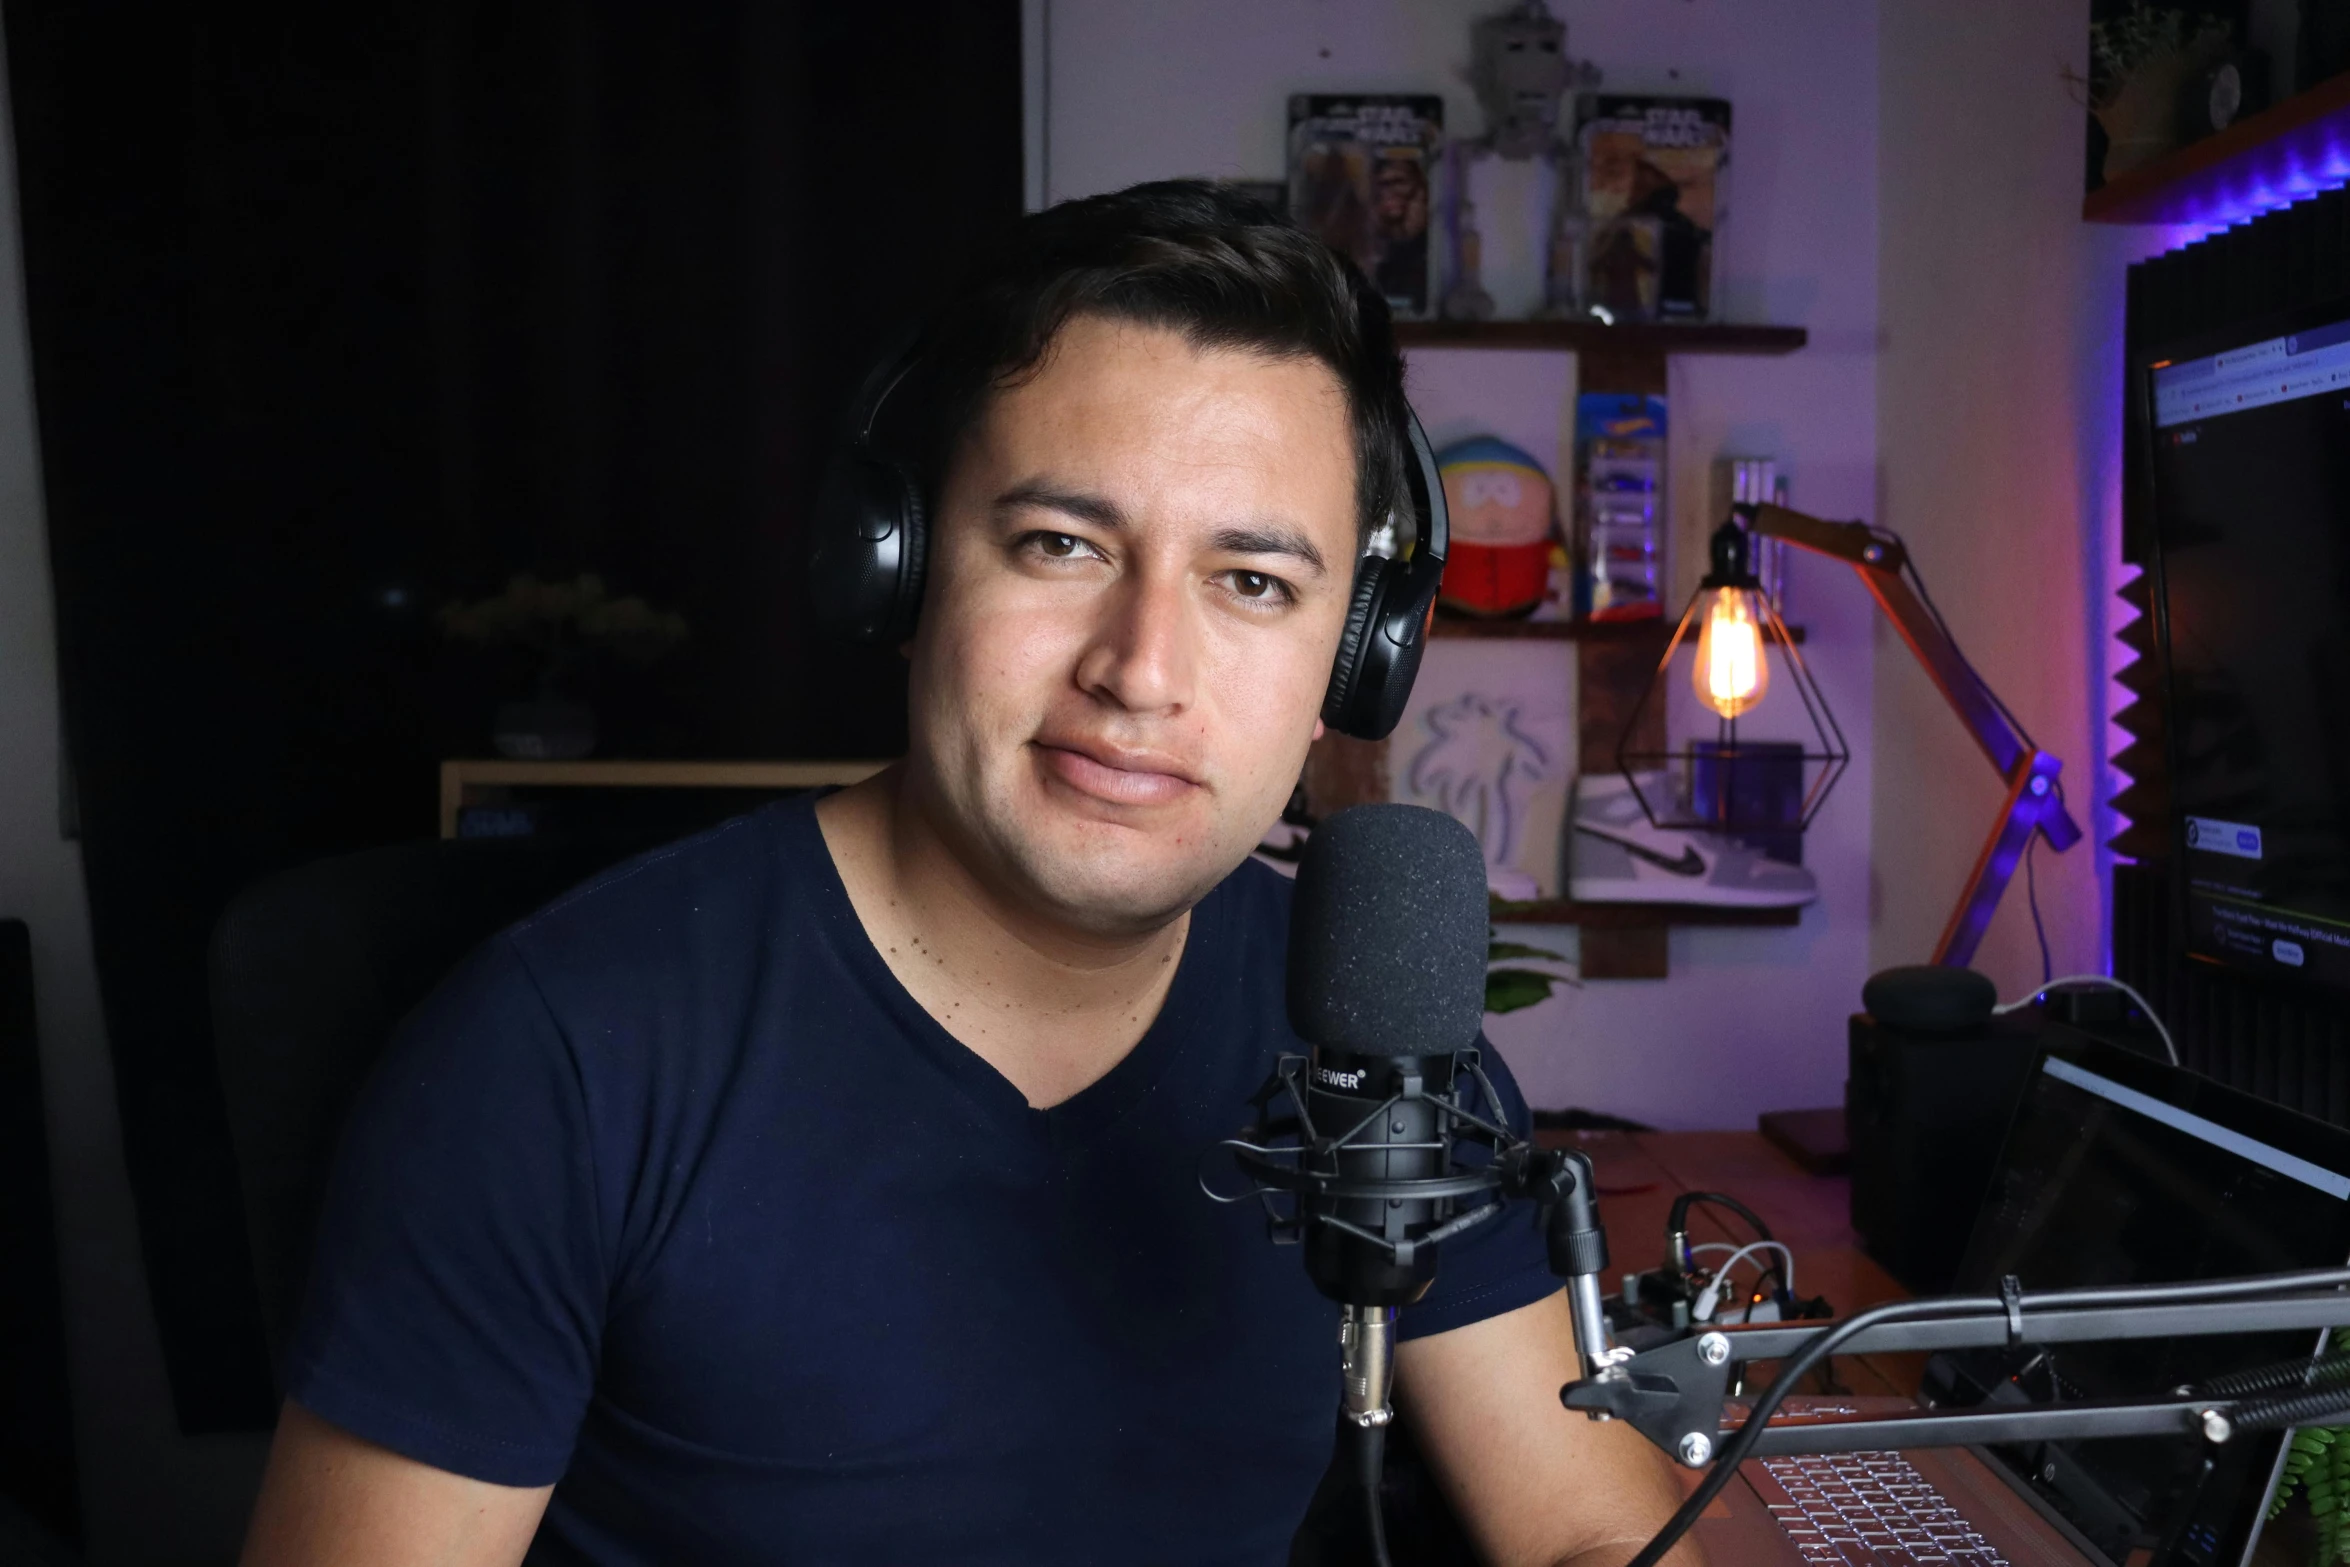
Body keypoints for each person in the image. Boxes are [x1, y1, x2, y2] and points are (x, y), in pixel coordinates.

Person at [239, 180, 1701, 1567]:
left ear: (1356, 660)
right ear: (893, 564)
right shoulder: (556, 1059)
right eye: (1061, 543)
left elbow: (1588, 1526)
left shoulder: (1376, 1041)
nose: (1140, 670)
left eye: (1251, 582)